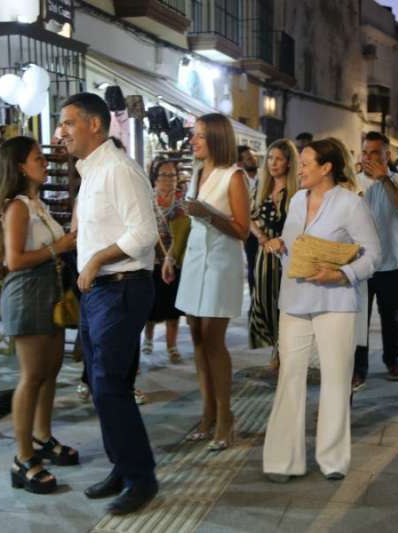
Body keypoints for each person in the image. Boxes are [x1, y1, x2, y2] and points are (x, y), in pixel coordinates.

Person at [60, 93, 159, 515]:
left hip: (121, 288)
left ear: (95, 125)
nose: (60, 132)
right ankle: (122, 466)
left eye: (68, 123)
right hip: (100, 291)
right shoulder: (92, 171)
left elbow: (145, 233)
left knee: (110, 386)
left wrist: (97, 259)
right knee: (103, 388)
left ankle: (141, 478)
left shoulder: (119, 169)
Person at [261, 138, 380, 483]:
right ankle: (283, 460)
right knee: (290, 376)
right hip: (294, 300)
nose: (299, 169)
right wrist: (279, 245)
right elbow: (295, 245)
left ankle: (333, 459)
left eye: (306, 164)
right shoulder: (298, 200)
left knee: (336, 378)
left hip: (336, 302)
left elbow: (374, 254)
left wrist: (342, 275)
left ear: (326, 168)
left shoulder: (351, 204)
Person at [0, 136, 79, 495]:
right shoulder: (18, 207)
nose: (45, 163)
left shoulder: (38, 204)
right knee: (32, 375)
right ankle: (22, 458)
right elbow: (14, 260)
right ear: (21, 167)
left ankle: (42, 436)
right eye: (38, 158)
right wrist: (59, 246)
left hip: (49, 292)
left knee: (50, 371)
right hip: (27, 293)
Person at [175, 113, 250, 452]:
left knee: (213, 340)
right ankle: (206, 412)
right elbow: (191, 221)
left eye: (200, 135)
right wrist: (171, 255)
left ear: (217, 139)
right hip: (194, 262)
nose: (193, 140)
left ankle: (225, 416)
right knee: (196, 337)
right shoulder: (197, 172)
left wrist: (207, 214)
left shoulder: (234, 176)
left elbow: (242, 230)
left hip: (220, 264)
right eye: (194, 135)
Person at [351, 132, 398, 391]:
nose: (368, 158)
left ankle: (392, 359)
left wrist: (384, 179)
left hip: (393, 262)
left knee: (392, 316)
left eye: (375, 153)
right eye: (365, 152)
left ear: (387, 155)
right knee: (359, 320)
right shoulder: (353, 182)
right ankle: (359, 369)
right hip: (361, 263)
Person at [248, 139, 299, 370]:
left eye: (278, 159)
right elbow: (249, 216)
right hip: (265, 253)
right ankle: (276, 347)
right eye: (270, 158)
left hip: (289, 253)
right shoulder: (261, 185)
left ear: (289, 162)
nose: (273, 163)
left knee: (286, 302)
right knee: (264, 299)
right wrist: (261, 236)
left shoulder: (298, 190)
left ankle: (282, 352)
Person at [142, 158, 191, 364]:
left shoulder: (182, 203)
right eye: (164, 175)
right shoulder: (146, 200)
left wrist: (171, 255)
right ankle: (148, 338)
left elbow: (183, 234)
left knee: (172, 306)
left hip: (174, 261)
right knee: (150, 305)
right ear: (155, 177)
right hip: (151, 260)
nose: (169, 179)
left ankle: (172, 346)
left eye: (173, 175)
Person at [238, 145, 261, 295]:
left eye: (253, 156)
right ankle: (254, 299)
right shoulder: (238, 181)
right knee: (253, 265)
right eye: (248, 158)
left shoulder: (266, 176)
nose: (253, 160)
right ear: (240, 163)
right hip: (250, 231)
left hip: (267, 226)